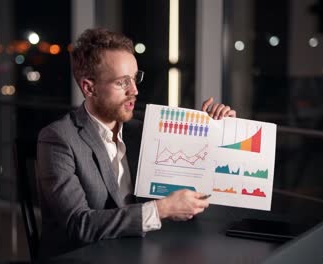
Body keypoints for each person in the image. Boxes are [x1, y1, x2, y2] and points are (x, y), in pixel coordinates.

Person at [36, 28, 236, 259]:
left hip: (137, 251)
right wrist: (163, 209)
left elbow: (190, 189)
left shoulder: (142, 131)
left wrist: (215, 133)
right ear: (89, 87)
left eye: (135, 78)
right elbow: (79, 224)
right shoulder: (58, 138)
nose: (135, 90)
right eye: (122, 82)